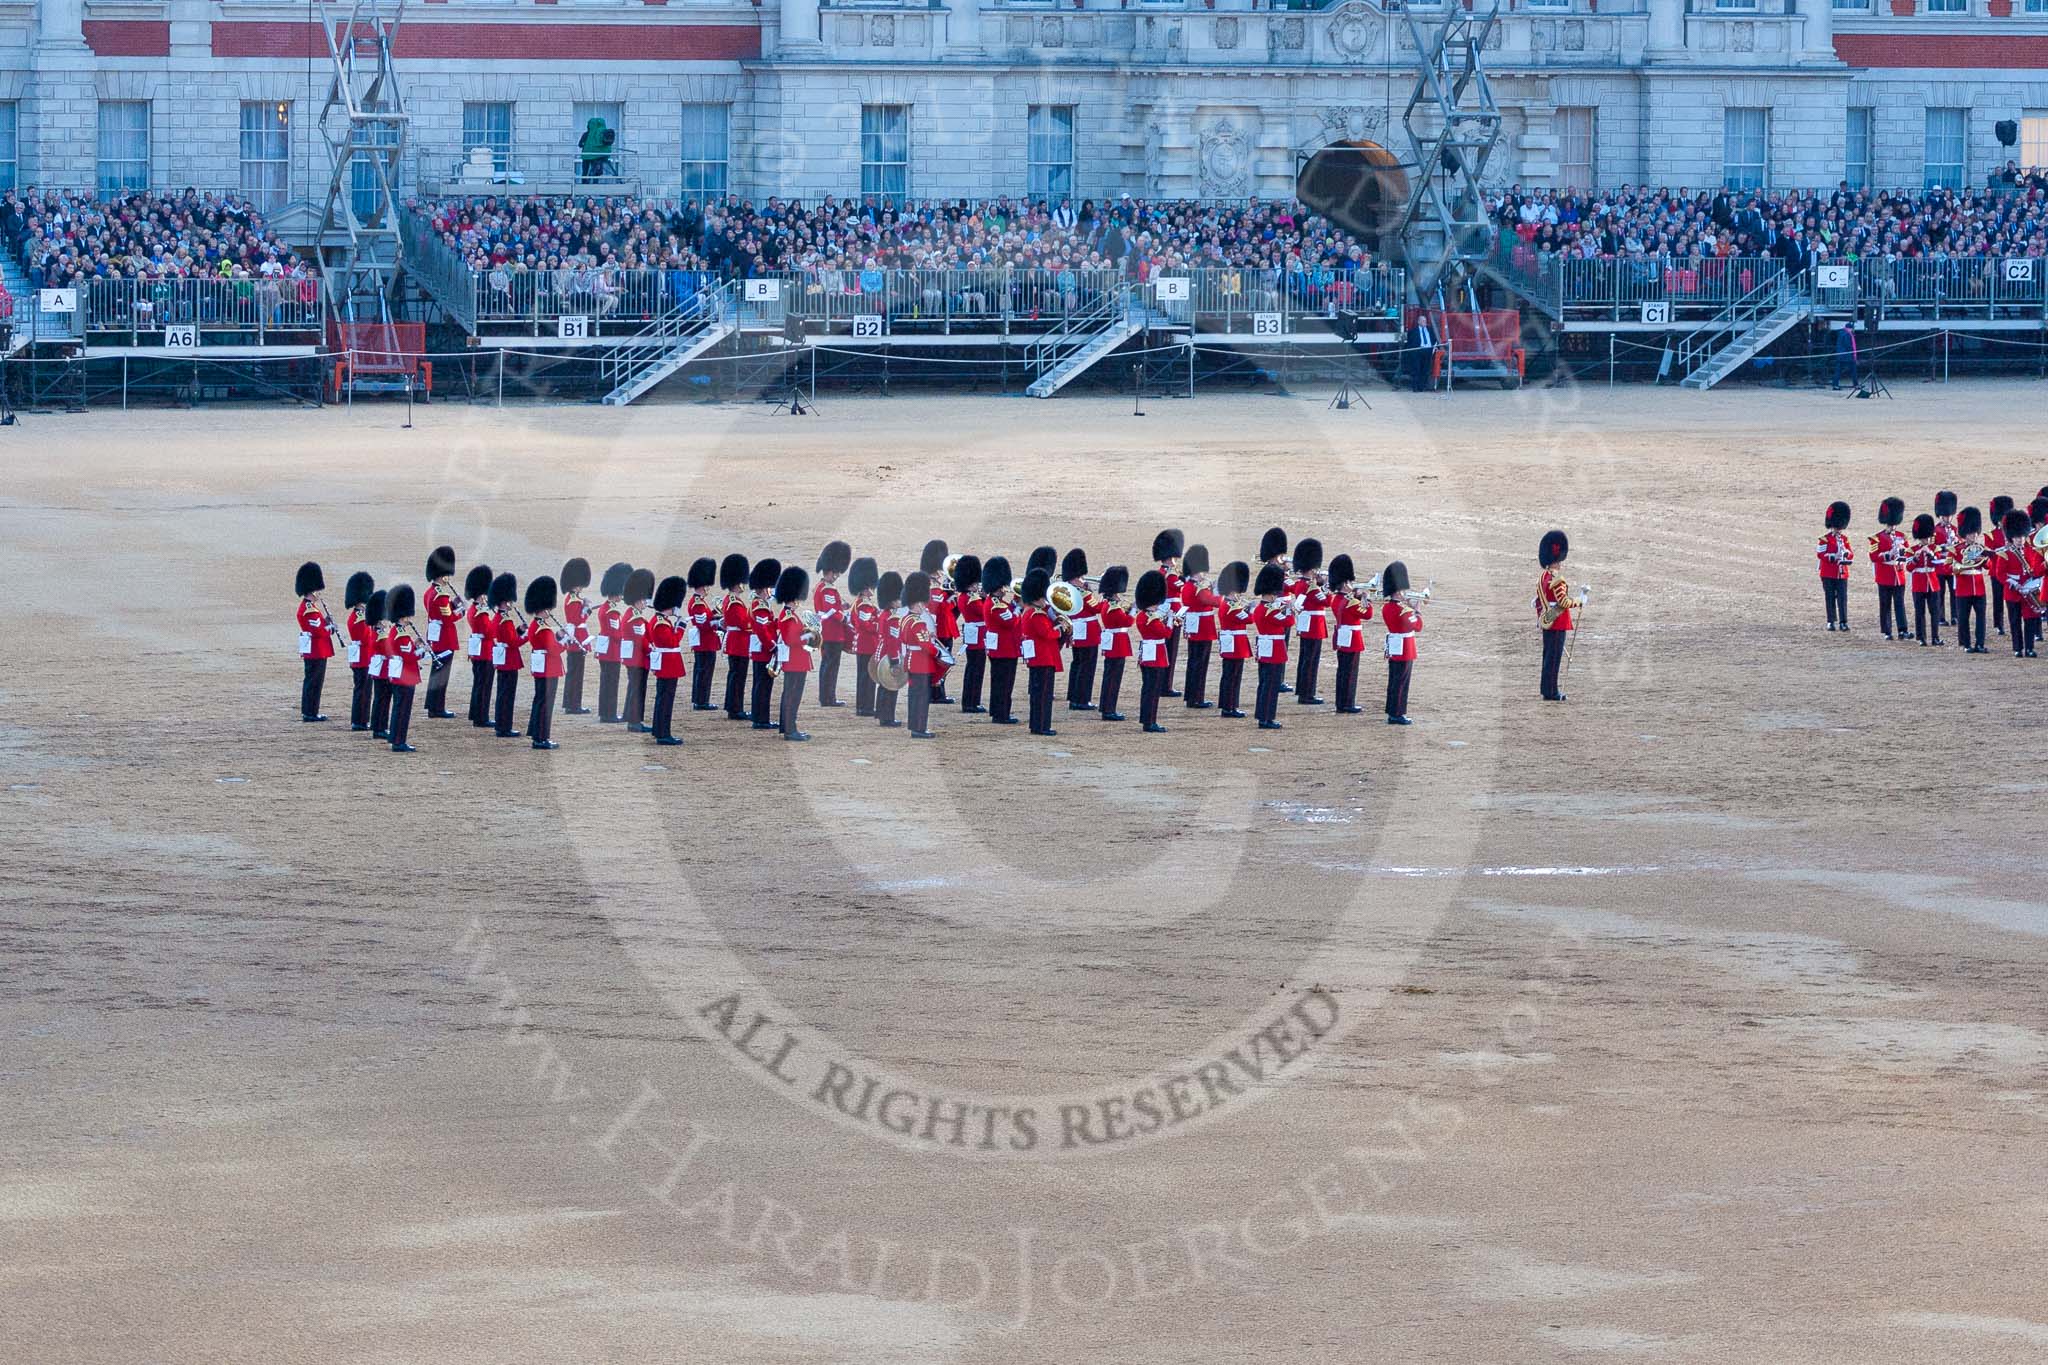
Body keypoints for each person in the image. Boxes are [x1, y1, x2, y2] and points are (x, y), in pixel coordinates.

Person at [1019, 568, 1065, 737]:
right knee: (1043, 696)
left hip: (1038, 658)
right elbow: (1047, 634)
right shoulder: (1036, 614)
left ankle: (1037, 724)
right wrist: (1060, 629)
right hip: (1044, 658)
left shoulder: (1031, 611)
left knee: (1039, 695)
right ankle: (1042, 726)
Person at [1249, 564, 1293, 730]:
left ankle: (1263, 715)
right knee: (1271, 685)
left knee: (1265, 683)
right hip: (1274, 649)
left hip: (1266, 647)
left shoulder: (1262, 609)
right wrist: (1289, 610)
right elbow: (1288, 622)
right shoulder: (1270, 610)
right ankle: (1267, 718)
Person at [522, 576, 564, 749]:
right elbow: (555, 650)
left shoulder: (535, 625)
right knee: (545, 704)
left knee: (540, 701)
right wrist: (564, 642)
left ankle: (537, 734)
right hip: (549, 669)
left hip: (542, 668)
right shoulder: (544, 628)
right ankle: (541, 737)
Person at [774, 564, 814, 741]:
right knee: (792, 696)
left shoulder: (789, 614)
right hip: (795, 660)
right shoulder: (789, 616)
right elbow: (792, 641)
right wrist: (809, 635)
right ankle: (791, 730)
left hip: (795, 660)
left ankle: (787, 726)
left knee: (789, 695)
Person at [647, 574, 688, 745]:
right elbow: (672, 642)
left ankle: (659, 730)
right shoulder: (661, 623)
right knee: (666, 699)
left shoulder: (658, 620)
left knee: (662, 697)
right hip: (668, 664)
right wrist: (681, 627)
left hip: (665, 663)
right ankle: (664, 734)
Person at [1329, 554, 1373, 714]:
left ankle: (1341, 703)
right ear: (1345, 583)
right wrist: (1365, 599)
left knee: (1343, 671)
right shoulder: (1351, 602)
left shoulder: (1337, 599)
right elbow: (1367, 614)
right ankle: (1347, 703)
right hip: (1352, 639)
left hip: (1342, 636)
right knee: (1350, 673)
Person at [1380, 561, 1422, 725]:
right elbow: (1417, 626)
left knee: (1394, 680)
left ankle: (1392, 710)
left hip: (1395, 646)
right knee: (1401, 682)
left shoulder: (1387, 608)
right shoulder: (1403, 610)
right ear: (1398, 592)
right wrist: (1417, 610)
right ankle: (1397, 713)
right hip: (1405, 648)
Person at [383, 584, 424, 752]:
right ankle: (399, 741)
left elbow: (405, 649)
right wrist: (423, 651)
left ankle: (395, 737)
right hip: (404, 675)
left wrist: (414, 644)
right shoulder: (401, 635)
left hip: (399, 674)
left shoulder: (396, 632)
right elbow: (409, 656)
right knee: (402, 709)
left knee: (399, 707)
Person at [422, 546, 462, 718]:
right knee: (441, 674)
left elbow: (441, 611)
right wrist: (460, 611)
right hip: (444, 638)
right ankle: (437, 707)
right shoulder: (441, 596)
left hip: (435, 636)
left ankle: (433, 706)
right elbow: (448, 618)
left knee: (436, 672)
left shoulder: (430, 593)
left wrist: (452, 605)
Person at [1134, 569, 1174, 733]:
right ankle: (1150, 722)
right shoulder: (1152, 617)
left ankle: (1146, 719)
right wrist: (1170, 619)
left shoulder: (1143, 616)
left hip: (1147, 652)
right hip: (1156, 654)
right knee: (1153, 689)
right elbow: (1166, 633)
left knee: (1148, 688)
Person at [1290, 538, 1329, 705]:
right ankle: (1307, 694)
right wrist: (1326, 586)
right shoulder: (1311, 587)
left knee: (1305, 658)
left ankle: (1302, 689)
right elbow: (1327, 601)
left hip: (1307, 624)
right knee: (1311, 660)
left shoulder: (1301, 583)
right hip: (1314, 625)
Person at [294, 561, 335, 722]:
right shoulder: (309, 609)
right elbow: (318, 631)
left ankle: (310, 710)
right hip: (316, 649)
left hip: (315, 648)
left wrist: (325, 621)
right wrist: (330, 627)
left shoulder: (311, 607)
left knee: (313, 681)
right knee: (313, 682)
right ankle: (310, 712)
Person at [1179, 545, 1219, 710]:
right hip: (1203, 628)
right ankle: (1196, 698)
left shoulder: (1190, 585)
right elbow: (1213, 601)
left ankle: (1192, 696)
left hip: (1196, 627)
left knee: (1194, 662)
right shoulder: (1198, 587)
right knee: (1199, 664)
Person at [982, 558, 1021, 725]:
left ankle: (997, 710)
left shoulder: (994, 602)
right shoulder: (996, 605)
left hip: (999, 647)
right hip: (1004, 648)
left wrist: (1014, 604)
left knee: (998, 681)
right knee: (1004, 683)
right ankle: (1001, 714)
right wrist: (1020, 609)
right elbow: (1012, 622)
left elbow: (1009, 610)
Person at [1537, 528, 1575, 701]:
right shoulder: (1557, 579)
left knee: (1548, 656)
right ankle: (1552, 692)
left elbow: (1538, 599)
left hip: (1547, 619)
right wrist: (1580, 601)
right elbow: (1564, 602)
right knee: (1554, 659)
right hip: (1557, 621)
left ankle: (1546, 689)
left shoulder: (1543, 576)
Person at [813, 540, 852, 708]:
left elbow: (830, 608)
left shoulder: (821, 586)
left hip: (825, 632)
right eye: (835, 573)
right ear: (829, 571)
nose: (836, 576)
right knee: (831, 666)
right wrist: (845, 617)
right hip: (832, 633)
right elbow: (831, 612)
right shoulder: (828, 589)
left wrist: (841, 607)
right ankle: (828, 698)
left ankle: (826, 697)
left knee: (827, 665)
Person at [902, 570, 940, 739]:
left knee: (914, 696)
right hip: (920, 663)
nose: (924, 607)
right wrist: (937, 651)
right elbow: (926, 646)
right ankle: (919, 728)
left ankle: (914, 725)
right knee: (921, 697)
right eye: (922, 604)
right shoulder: (918, 623)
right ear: (916, 603)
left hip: (911, 659)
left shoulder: (906, 620)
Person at [747, 558, 783, 732]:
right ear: (764, 588)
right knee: (763, 685)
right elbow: (762, 630)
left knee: (761, 684)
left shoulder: (761, 605)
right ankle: (761, 719)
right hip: (764, 650)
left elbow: (767, 625)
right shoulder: (759, 606)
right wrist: (772, 645)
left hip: (762, 648)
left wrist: (778, 623)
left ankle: (759, 717)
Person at [1062, 548, 1099, 712]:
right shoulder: (1083, 593)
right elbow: (1097, 608)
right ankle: (1082, 699)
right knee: (1087, 666)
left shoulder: (1065, 591)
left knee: (1077, 663)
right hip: (1088, 631)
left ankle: (1074, 697)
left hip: (1076, 629)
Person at [593, 561, 631, 724]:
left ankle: (606, 713)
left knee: (606, 683)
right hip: (612, 652)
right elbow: (616, 634)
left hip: (606, 651)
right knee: (611, 684)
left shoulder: (604, 607)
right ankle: (609, 714)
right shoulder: (612, 610)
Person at [1214, 561, 1253, 720]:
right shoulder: (1232, 606)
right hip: (1235, 644)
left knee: (1229, 675)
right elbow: (1249, 619)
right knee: (1233, 676)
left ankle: (1227, 705)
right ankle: (1230, 707)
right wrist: (1251, 608)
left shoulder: (1227, 603)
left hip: (1231, 642)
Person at [620, 567, 656, 732]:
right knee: (638, 690)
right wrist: (653, 650)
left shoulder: (631, 614)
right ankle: (635, 722)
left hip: (633, 658)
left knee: (633, 688)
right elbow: (642, 641)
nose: (645, 603)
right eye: (643, 600)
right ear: (638, 600)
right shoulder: (635, 618)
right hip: (637, 659)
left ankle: (630, 716)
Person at [922, 540, 957, 705]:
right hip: (940, 630)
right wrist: (951, 599)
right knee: (940, 661)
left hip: (945, 627)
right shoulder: (932, 586)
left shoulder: (938, 582)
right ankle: (935, 693)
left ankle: (938, 692)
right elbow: (935, 610)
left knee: (941, 661)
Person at [489, 572, 524, 738]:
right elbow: (514, 643)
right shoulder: (506, 620)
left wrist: (519, 631)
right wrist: (528, 635)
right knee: (507, 696)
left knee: (503, 693)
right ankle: (504, 727)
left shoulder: (497, 618)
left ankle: (501, 725)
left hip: (502, 659)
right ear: (505, 601)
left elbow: (507, 637)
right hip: (509, 660)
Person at [1151, 531, 1185, 696]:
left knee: (1169, 649)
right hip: (1171, 613)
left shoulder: (1164, 572)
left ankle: (1165, 684)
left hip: (1171, 611)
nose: (1174, 561)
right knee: (1170, 650)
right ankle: (1166, 686)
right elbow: (1178, 587)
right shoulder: (1169, 574)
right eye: (1172, 558)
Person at [719, 553, 753, 721]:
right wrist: (756, 625)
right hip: (738, 642)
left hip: (736, 641)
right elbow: (743, 623)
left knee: (735, 676)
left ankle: (733, 706)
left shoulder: (730, 599)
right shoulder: (734, 601)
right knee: (738, 677)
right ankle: (735, 708)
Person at [1096, 566, 1132, 722]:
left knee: (1109, 676)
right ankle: (1109, 710)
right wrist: (1134, 610)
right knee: (1113, 678)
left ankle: (1106, 706)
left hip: (1114, 642)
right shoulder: (1113, 607)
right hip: (1117, 643)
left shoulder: (1108, 604)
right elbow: (1127, 621)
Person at [1871, 497, 1910, 641]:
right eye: (1890, 524)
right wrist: (1889, 554)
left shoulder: (1902, 537)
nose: (1893, 527)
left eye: (1894, 524)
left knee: (1900, 604)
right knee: (1885, 604)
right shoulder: (1876, 538)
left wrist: (1902, 552)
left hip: (1899, 575)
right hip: (1884, 575)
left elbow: (1908, 553)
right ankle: (1887, 630)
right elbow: (1874, 556)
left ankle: (1902, 630)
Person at [1952, 506, 1989, 654]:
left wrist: (1984, 559)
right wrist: (1959, 567)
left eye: (1975, 533)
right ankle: (1966, 644)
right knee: (1963, 618)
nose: (1973, 536)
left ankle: (1980, 644)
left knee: (1981, 618)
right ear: (1964, 534)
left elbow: (1988, 566)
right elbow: (1950, 567)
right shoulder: (1956, 549)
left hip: (1979, 587)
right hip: (1963, 587)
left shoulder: (1981, 548)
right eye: (1970, 534)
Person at [685, 557, 722, 710]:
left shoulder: (698, 601)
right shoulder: (698, 603)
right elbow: (703, 624)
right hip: (705, 641)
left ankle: (699, 699)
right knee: (704, 672)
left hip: (704, 641)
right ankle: (701, 701)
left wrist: (714, 613)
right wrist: (718, 622)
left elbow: (705, 618)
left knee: (702, 671)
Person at [559, 557, 593, 715]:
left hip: (577, 637)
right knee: (575, 674)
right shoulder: (573, 600)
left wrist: (585, 607)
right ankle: (573, 705)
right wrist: (586, 607)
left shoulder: (574, 598)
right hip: (576, 640)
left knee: (575, 673)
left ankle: (571, 703)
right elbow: (578, 620)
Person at [952, 555, 987, 715]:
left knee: (972, 669)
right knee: (976, 670)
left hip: (974, 635)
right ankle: (971, 703)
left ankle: (971, 701)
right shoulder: (972, 599)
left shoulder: (964, 597)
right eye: (974, 583)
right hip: (978, 637)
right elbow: (984, 613)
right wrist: (986, 598)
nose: (976, 586)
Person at [848, 556, 881, 717]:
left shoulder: (860, 603)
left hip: (864, 644)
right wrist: (880, 626)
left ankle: (863, 706)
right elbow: (866, 625)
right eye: (869, 587)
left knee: (865, 676)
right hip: (867, 644)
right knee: (867, 677)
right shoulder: (864, 605)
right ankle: (865, 707)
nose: (871, 590)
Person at [343, 570, 377, 731]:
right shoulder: (358, 618)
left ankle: (362, 719)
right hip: (363, 659)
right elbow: (366, 639)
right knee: (362, 692)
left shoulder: (361, 616)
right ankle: (359, 721)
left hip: (365, 658)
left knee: (364, 691)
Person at [464, 564, 497, 727]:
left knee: (479, 684)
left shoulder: (473, 609)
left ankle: (475, 713)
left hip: (478, 651)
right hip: (485, 652)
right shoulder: (481, 612)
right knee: (484, 685)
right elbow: (490, 633)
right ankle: (481, 717)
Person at [874, 570, 905, 729]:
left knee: (883, 684)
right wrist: (895, 661)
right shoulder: (892, 618)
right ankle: (888, 717)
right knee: (891, 685)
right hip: (889, 654)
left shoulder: (884, 614)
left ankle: (880, 713)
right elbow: (893, 641)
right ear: (892, 601)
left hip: (881, 652)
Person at [1908, 513, 1944, 647]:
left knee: (1935, 612)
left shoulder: (1935, 548)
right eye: (1923, 538)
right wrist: (1916, 558)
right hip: (1918, 584)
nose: (1926, 541)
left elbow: (1940, 564)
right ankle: (1921, 637)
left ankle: (1935, 637)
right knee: (1920, 612)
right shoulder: (1912, 550)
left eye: (1927, 538)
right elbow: (1909, 568)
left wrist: (1931, 553)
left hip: (1933, 584)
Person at [1817, 501, 1853, 632]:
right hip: (1828, 573)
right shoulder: (1824, 539)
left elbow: (1850, 553)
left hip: (1842, 572)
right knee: (1830, 597)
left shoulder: (1844, 539)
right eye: (1837, 527)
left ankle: (1843, 622)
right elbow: (1820, 553)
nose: (1838, 530)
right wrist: (1832, 556)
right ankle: (1830, 621)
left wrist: (1846, 554)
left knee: (1843, 598)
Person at [367, 590, 394, 739]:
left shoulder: (376, 631)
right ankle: (380, 728)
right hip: (383, 669)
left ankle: (378, 726)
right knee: (383, 699)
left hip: (380, 668)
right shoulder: (381, 634)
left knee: (380, 699)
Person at [1987, 495, 2014, 640]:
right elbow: (1990, 553)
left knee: (2011, 599)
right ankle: (1998, 624)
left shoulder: (2012, 534)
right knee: (1998, 599)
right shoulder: (1991, 535)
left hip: (2010, 571)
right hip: (1995, 571)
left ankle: (2011, 622)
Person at [1932, 490, 1959, 626]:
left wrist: (1955, 543)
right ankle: (1940, 617)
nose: (1947, 519)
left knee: (1955, 592)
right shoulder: (1934, 530)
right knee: (1940, 594)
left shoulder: (1955, 530)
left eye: (1949, 516)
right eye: (1944, 516)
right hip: (1939, 566)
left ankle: (1955, 615)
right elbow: (1932, 547)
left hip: (1952, 566)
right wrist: (1943, 547)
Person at [1406, 311, 1437, 393]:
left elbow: (1434, 340)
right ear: (1418, 322)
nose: (1424, 323)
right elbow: (1410, 343)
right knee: (1416, 369)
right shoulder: (1413, 331)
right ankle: (1415, 387)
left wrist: (1433, 349)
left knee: (1426, 369)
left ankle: (1422, 387)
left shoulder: (1430, 330)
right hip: (1418, 351)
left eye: (1425, 321)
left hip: (1428, 351)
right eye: (1423, 321)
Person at [1832, 322, 1859, 391]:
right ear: (1850, 328)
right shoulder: (1848, 334)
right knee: (1853, 370)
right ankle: (1856, 385)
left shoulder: (1841, 333)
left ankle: (1835, 385)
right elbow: (1849, 345)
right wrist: (1854, 355)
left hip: (1840, 355)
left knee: (1838, 371)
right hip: (1847, 356)